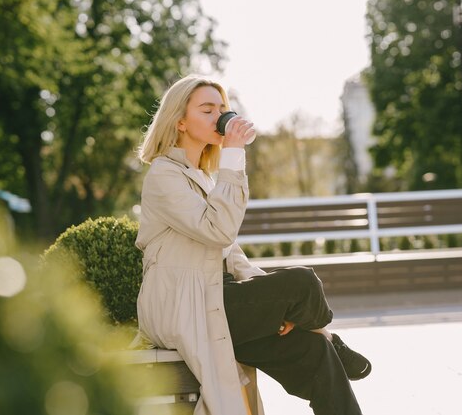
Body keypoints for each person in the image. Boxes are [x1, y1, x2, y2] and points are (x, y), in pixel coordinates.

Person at [134, 74, 371, 415]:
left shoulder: (201, 176)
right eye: (207, 109)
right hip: (187, 303)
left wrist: (281, 307)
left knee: (314, 352)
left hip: (221, 296)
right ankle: (329, 334)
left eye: (221, 108)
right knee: (303, 282)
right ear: (181, 121)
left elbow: (232, 255)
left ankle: (324, 339)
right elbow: (218, 231)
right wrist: (233, 154)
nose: (219, 116)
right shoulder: (164, 174)